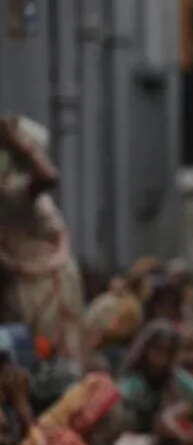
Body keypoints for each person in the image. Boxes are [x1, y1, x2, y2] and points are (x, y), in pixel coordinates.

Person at [0, 116, 86, 366]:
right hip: (24, 291)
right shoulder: (11, 195)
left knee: (56, 360)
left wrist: (17, 143)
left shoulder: (20, 193)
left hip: (49, 287)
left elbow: (47, 177)